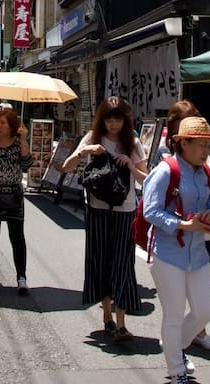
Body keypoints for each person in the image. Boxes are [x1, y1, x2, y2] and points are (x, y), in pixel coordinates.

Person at [142, 116, 210, 384]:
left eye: (207, 146)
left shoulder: (207, 173)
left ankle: (174, 346)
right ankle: (176, 370)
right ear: (183, 144)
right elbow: (150, 211)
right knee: (174, 314)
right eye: (201, 145)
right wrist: (183, 225)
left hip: (198, 253)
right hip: (167, 254)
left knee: (205, 311)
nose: (206, 151)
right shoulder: (166, 171)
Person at [63, 95, 148, 342]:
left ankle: (121, 322)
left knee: (122, 264)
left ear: (125, 120)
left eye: (118, 119)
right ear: (103, 119)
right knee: (100, 262)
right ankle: (107, 317)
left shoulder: (132, 143)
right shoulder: (92, 138)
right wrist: (84, 151)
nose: (113, 124)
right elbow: (66, 167)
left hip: (125, 210)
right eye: (109, 119)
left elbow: (146, 178)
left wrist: (131, 166)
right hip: (97, 209)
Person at [161, 99, 210, 351]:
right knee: (176, 299)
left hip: (206, 228)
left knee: (204, 287)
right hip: (176, 237)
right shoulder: (165, 153)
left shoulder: (207, 145)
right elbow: (154, 202)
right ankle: (176, 349)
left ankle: (196, 331)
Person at [0, 106, 33, 293]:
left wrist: (24, 139)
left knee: (17, 237)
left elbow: (27, 164)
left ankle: (21, 276)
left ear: (12, 126)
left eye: (3, 123)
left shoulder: (19, 145)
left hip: (14, 196)